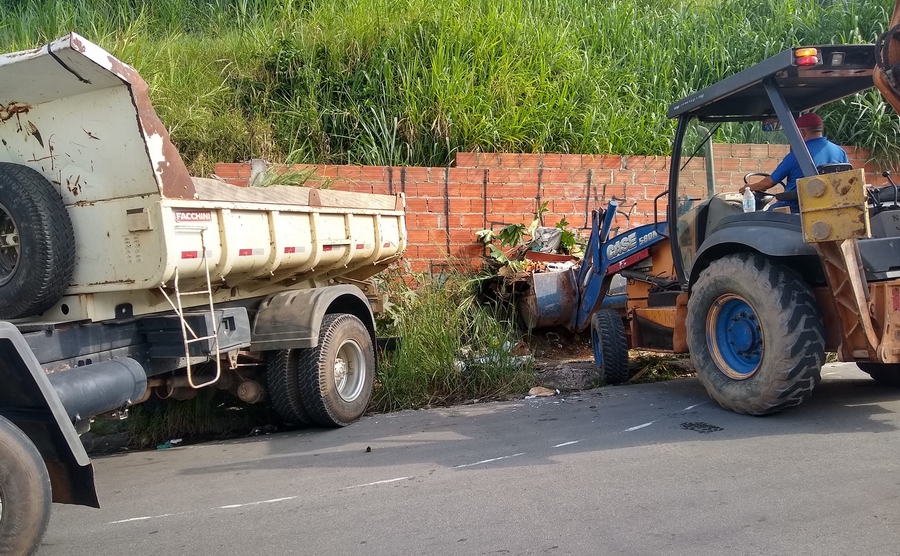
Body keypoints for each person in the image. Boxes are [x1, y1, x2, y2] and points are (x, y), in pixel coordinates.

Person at [738, 112, 849, 213]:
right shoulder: (840, 152)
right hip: (830, 206)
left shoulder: (797, 155)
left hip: (796, 208)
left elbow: (769, 183)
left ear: (801, 132)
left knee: (763, 218)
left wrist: (750, 187)